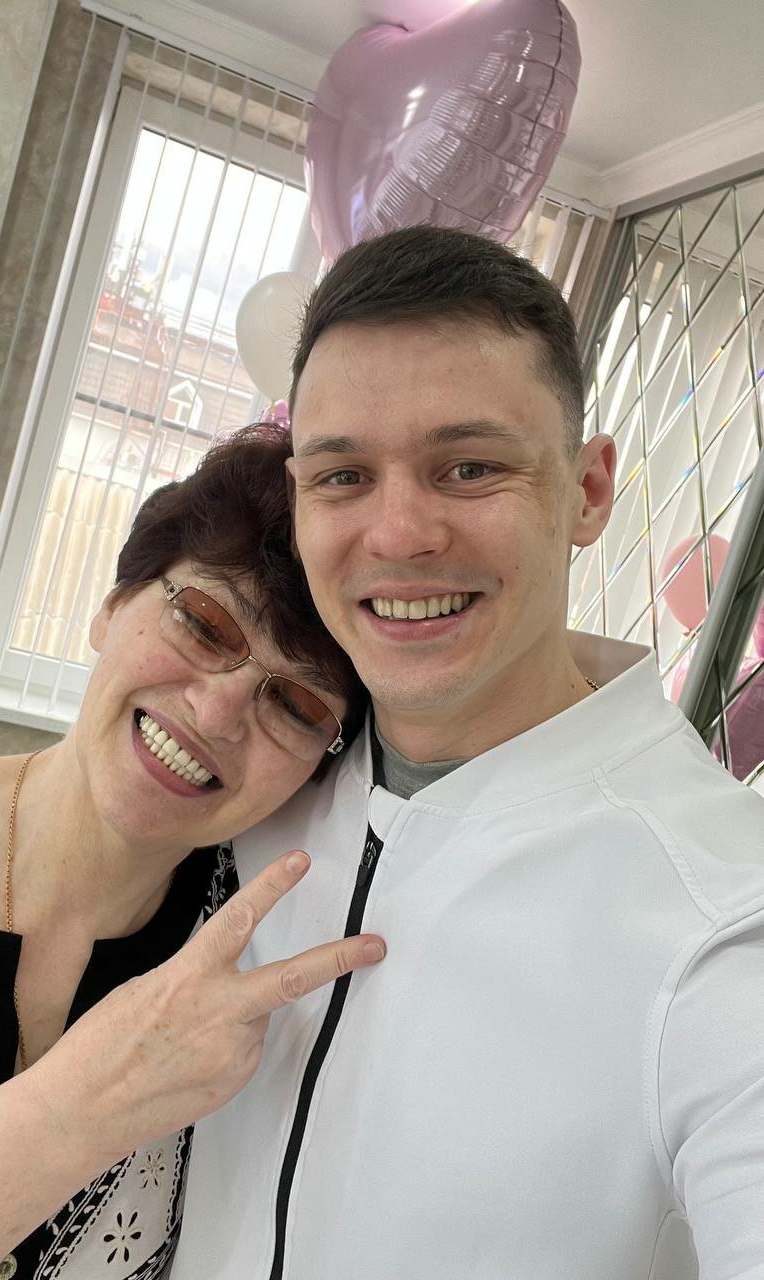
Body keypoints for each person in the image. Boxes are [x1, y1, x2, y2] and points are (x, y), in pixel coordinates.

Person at [168, 226, 764, 1280]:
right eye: (343, 475)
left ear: (586, 491)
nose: (399, 533)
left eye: (470, 467)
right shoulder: (259, 773)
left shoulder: (720, 917)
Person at [0, 429, 385, 1280]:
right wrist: (71, 1115)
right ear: (112, 604)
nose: (217, 713)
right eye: (204, 623)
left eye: (296, 705)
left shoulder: (262, 969)